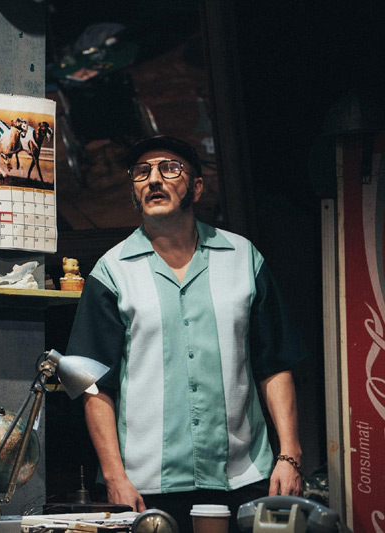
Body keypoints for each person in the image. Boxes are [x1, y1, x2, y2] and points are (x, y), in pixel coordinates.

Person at [66, 136, 305, 532]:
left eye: (170, 168)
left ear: (196, 187)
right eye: (142, 172)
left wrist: (290, 454)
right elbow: (94, 386)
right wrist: (113, 475)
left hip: (243, 476)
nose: (153, 179)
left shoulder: (243, 257)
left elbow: (275, 364)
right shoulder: (111, 271)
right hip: (145, 485)